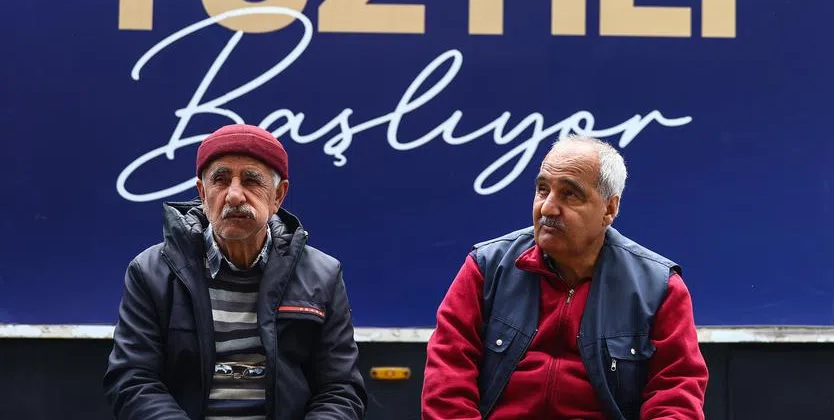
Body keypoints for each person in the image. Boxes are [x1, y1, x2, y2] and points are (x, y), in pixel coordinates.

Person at [421, 135, 708, 419]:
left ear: (609, 209)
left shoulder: (659, 288)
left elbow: (676, 398)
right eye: (542, 190)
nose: (547, 208)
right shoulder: (486, 268)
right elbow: (447, 383)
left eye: (569, 194)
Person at [103, 124, 367, 419]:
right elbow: (133, 380)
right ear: (202, 193)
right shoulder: (151, 273)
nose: (234, 195)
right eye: (221, 180)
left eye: (252, 180)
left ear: (278, 196)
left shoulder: (323, 276)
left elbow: (340, 390)